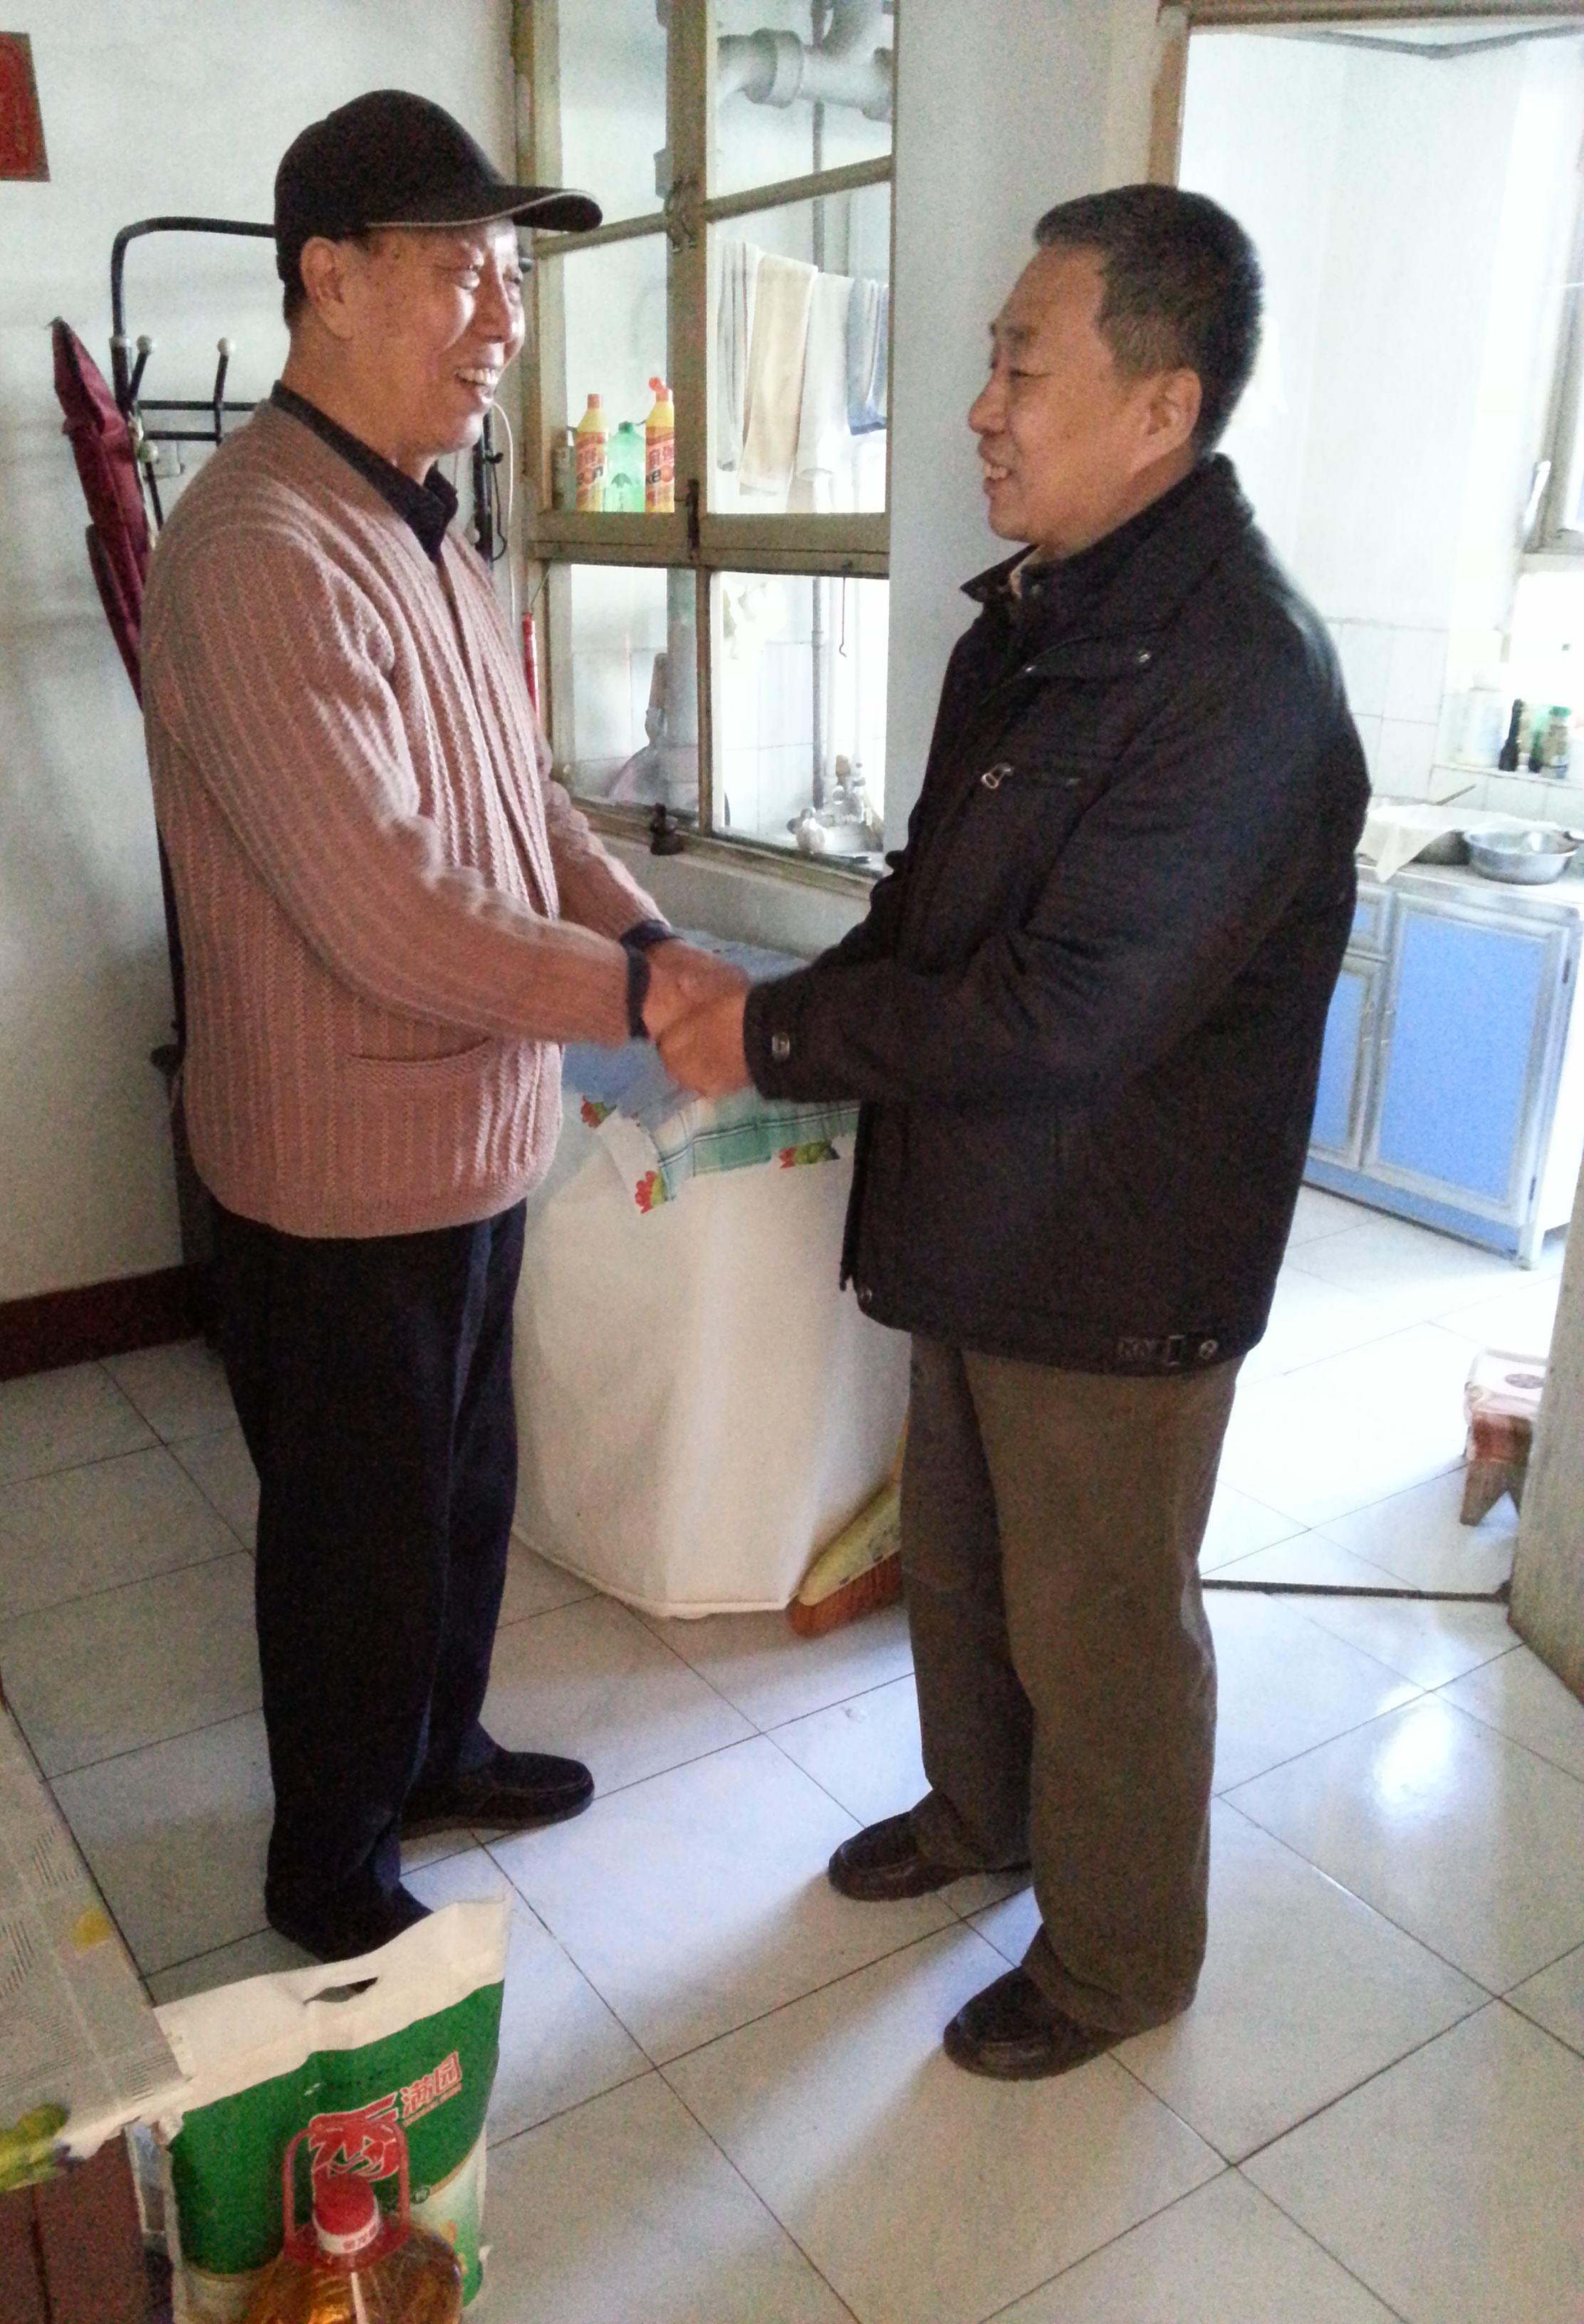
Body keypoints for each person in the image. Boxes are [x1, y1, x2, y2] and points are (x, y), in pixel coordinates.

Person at [661, 184, 1370, 2078]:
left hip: (1122, 1254)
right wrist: (783, 1009)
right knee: (965, 1573)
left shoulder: (1241, 680)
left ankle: (1121, 1957)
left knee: (1101, 1624)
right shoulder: (1036, 628)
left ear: (1161, 407)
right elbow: (928, 916)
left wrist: (776, 1036)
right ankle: (983, 1818)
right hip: (982, 1209)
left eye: (1019, 367)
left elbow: (1072, 1011)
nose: (980, 408)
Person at [142, 90, 734, 1962]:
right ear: (327, 278)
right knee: (354, 1543)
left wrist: (652, 941)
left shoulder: (430, 536)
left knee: (462, 1496)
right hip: (337, 1183)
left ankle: (439, 1754)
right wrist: (650, 1002)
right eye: (465, 272)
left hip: (469, 1146)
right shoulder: (260, 548)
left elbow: (528, 813)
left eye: (514, 280)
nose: (505, 319)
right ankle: (330, 1866)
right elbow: (389, 912)